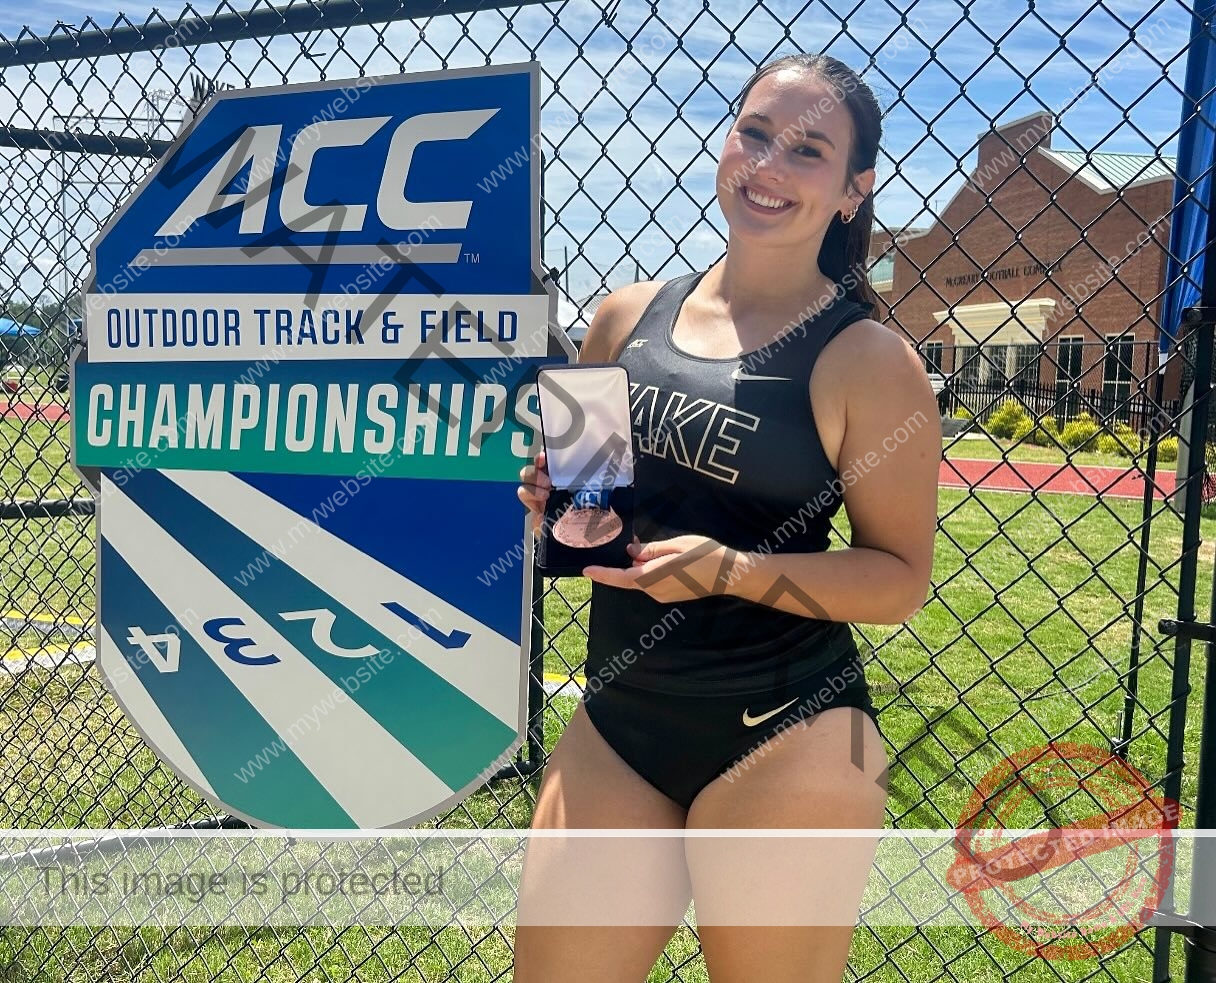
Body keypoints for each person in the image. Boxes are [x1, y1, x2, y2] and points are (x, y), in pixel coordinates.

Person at [513, 52, 940, 983]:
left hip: (791, 730)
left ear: (853, 190)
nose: (768, 167)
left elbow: (900, 578)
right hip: (620, 718)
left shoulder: (868, 359)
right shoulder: (624, 317)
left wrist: (728, 569)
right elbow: (595, 512)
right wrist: (557, 501)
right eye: (754, 133)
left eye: (809, 151)